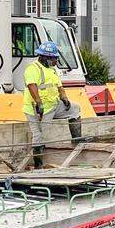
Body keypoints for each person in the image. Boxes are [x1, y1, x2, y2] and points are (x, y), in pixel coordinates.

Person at [23, 41, 83, 169]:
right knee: (39, 136)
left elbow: (59, 86)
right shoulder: (33, 69)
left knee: (75, 108)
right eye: (54, 58)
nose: (56, 61)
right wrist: (39, 103)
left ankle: (77, 140)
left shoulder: (52, 70)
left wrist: (64, 97)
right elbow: (31, 86)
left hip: (53, 105)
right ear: (46, 57)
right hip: (36, 109)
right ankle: (38, 166)